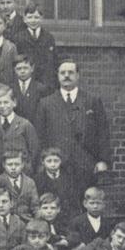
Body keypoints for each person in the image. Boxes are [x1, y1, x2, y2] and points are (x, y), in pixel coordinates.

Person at [36, 60, 111, 197]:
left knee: (84, 201)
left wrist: (102, 160)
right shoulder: (46, 103)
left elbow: (103, 133)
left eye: (70, 72)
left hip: (86, 164)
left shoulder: (92, 101)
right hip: (58, 165)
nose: (66, 76)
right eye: (62, 73)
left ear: (78, 75)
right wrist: (43, 163)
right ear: (57, 76)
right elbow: (40, 137)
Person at [14, 3, 57, 88]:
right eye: (30, 17)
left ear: (42, 18)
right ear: (24, 19)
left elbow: (53, 60)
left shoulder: (48, 37)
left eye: (36, 17)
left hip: (45, 81)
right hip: (26, 80)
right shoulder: (18, 38)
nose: (33, 20)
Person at [0, 86, 39, 168]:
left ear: (14, 102)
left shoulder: (25, 124)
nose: (2, 106)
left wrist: (26, 167)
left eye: (6, 102)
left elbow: (34, 151)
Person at [34, 147, 78, 224]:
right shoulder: (37, 180)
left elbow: (73, 200)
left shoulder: (69, 178)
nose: (53, 164)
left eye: (56, 161)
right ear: (43, 162)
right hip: (46, 215)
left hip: (66, 216)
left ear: (61, 161)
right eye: (49, 161)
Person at [0, 150, 39, 222]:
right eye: (10, 164)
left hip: (27, 220)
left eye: (17, 164)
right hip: (6, 221)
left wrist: (38, 221)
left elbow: (35, 206)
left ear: (22, 164)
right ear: (4, 165)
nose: (13, 167)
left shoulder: (29, 182)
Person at [66, 186, 113, 250]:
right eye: (92, 203)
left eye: (98, 203)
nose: (95, 206)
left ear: (103, 204)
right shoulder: (77, 222)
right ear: (85, 204)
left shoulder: (108, 224)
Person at [10, 54, 50, 127]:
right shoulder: (10, 88)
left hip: (35, 128)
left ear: (32, 68)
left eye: (25, 68)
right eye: (19, 69)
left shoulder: (41, 89)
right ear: (14, 70)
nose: (22, 71)